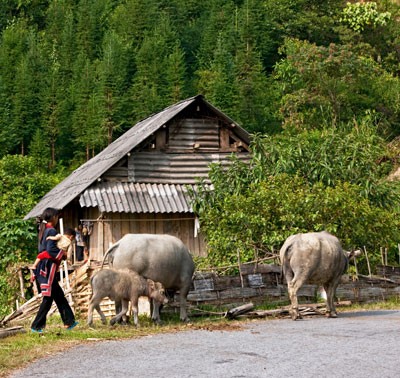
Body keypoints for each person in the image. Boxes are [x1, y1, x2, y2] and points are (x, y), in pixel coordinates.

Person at [31, 208, 78, 333]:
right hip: (48, 267)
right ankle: (36, 326)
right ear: (53, 217)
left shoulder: (43, 229)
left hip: (44, 266)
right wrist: (62, 254)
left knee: (58, 295)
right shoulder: (51, 230)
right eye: (57, 217)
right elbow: (51, 250)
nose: (57, 220)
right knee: (48, 298)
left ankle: (69, 322)